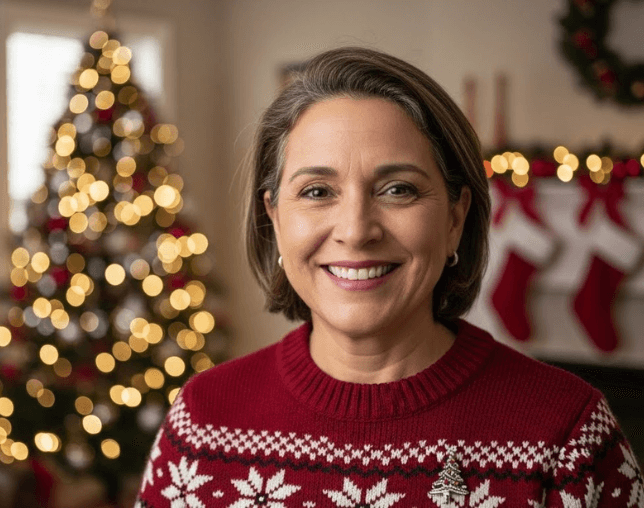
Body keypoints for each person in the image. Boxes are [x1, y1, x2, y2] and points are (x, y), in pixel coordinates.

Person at [135, 47, 642, 507]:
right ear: (275, 218)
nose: (356, 231)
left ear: (454, 219)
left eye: (398, 189)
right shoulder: (202, 423)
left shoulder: (569, 437)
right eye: (316, 192)